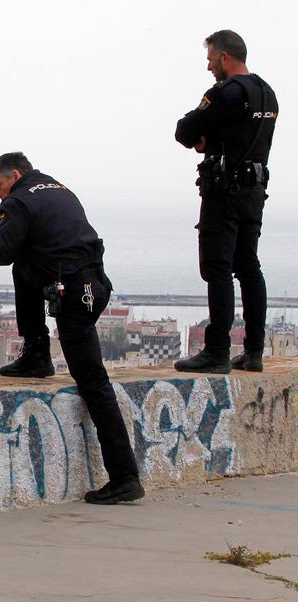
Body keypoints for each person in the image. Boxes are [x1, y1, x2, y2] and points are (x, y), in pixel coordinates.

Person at [0, 152, 143, 504]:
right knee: (24, 268)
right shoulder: (58, 189)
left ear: (14, 175)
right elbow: (26, 245)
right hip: (95, 287)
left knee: (95, 385)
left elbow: (3, 250)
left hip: (73, 294)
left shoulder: (18, 203)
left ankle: (125, 477)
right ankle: (36, 354)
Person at [173, 30, 278, 374]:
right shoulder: (267, 94)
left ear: (225, 57)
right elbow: (242, 135)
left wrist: (205, 140)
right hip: (254, 193)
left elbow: (185, 130)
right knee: (248, 266)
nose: (208, 66)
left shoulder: (226, 93)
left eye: (210, 59)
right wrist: (216, 138)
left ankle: (216, 351)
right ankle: (254, 351)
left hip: (224, 193)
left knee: (217, 268)